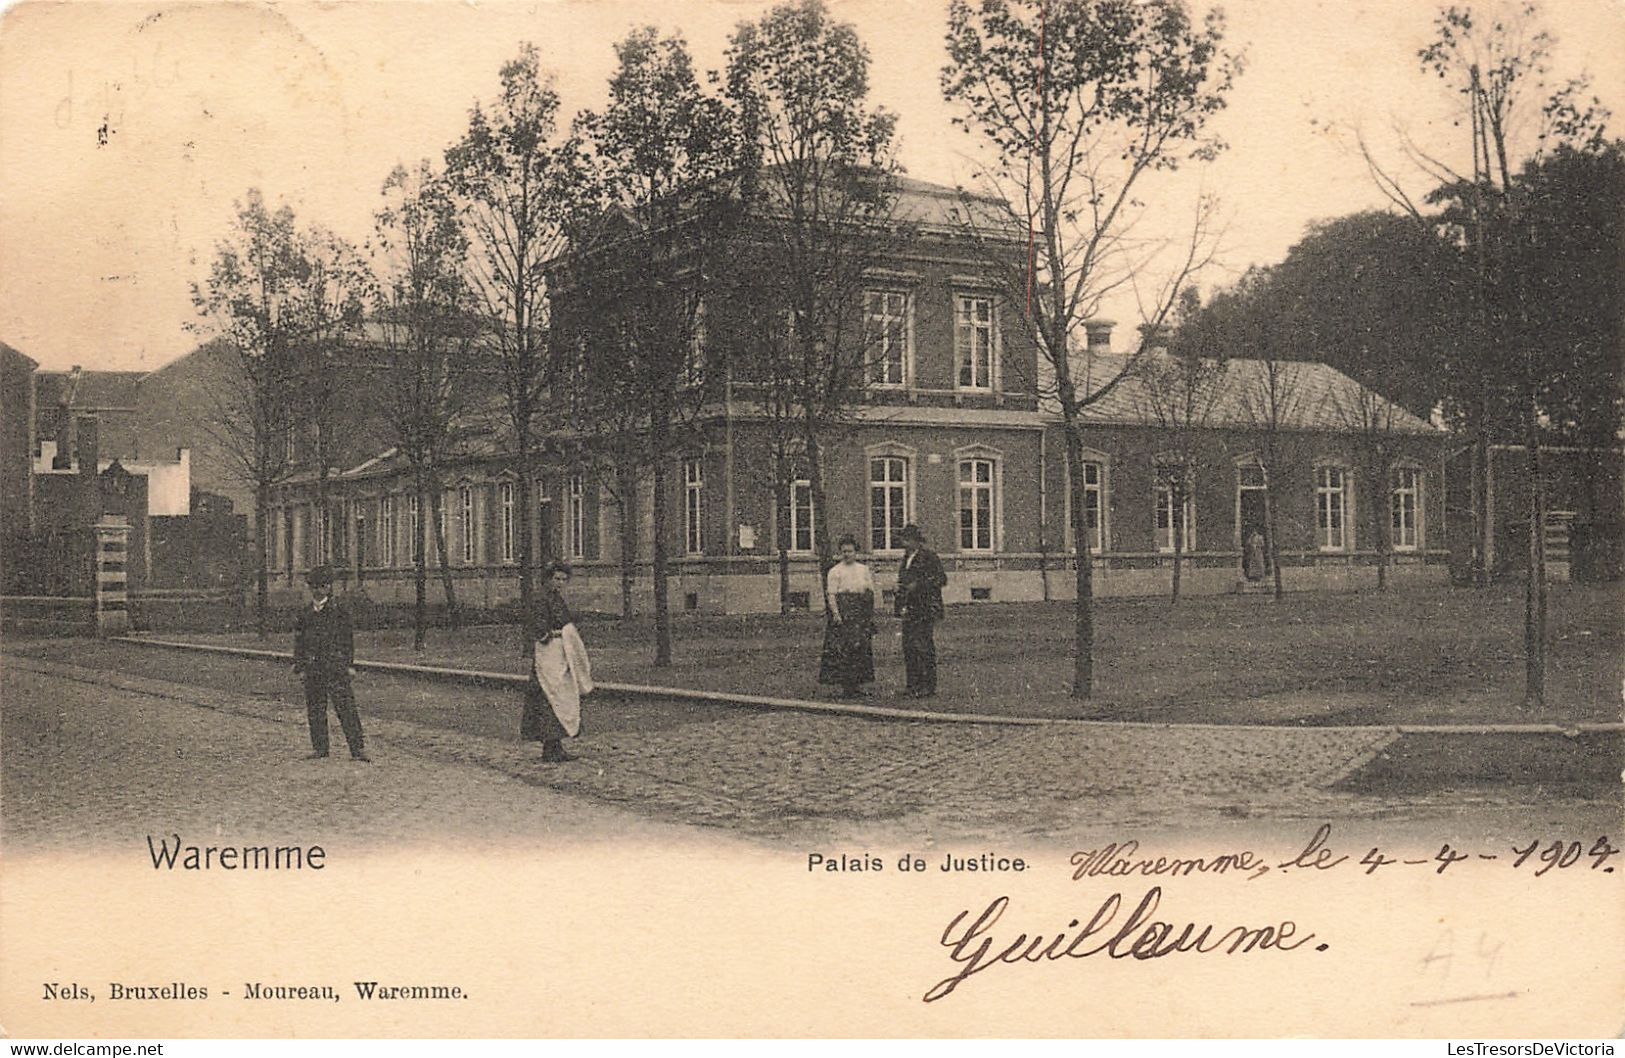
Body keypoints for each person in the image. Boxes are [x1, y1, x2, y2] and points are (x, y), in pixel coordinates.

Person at [292, 565, 369, 762]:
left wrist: (350, 665)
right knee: (316, 708)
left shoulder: (339, 611)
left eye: (322, 586)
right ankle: (320, 748)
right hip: (313, 667)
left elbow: (347, 640)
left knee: (346, 707)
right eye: (314, 587)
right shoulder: (305, 613)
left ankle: (357, 748)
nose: (318, 591)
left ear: (328, 588)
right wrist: (300, 666)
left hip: (335, 666)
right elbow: (299, 641)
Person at [523, 561, 594, 762]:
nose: (560, 583)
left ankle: (556, 744)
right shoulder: (541, 599)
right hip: (549, 653)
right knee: (549, 694)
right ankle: (550, 746)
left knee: (562, 695)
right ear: (548, 579)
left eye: (564, 579)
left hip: (562, 652)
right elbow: (538, 625)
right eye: (556, 579)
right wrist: (551, 634)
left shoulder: (557, 599)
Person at [817, 535, 876, 699]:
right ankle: (846, 686)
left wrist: (868, 612)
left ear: (856, 551)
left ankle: (857, 684)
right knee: (844, 649)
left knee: (860, 649)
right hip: (844, 612)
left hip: (860, 611)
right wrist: (836, 614)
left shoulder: (863, 569)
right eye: (844, 551)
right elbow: (831, 595)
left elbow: (869, 590)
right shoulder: (835, 571)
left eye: (850, 551)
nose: (847, 554)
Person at [894, 523, 946, 698]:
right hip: (910, 608)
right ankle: (913, 685)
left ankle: (927, 685)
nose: (905, 543)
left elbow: (940, 579)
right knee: (909, 647)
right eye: (904, 539)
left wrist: (918, 585)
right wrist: (899, 598)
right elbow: (903, 582)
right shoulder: (906, 558)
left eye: (908, 540)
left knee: (923, 647)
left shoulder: (929, 557)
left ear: (917, 541)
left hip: (925, 608)